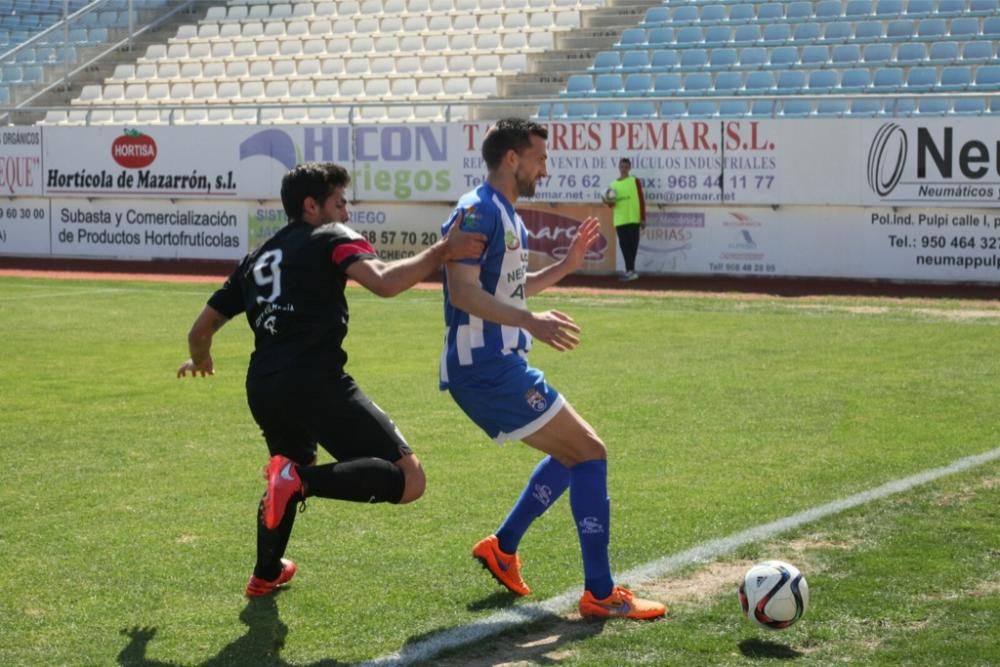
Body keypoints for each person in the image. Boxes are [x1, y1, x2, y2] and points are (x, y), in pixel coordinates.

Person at [177, 162, 486, 597]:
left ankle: (266, 572)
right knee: (408, 480)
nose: (345, 213)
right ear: (311, 205)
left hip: (264, 385)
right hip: (314, 378)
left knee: (287, 466)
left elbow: (199, 332)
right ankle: (299, 484)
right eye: (340, 202)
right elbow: (383, 282)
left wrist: (201, 361)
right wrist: (442, 251)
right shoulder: (331, 236)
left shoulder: (255, 259)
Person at [440, 119, 666, 620]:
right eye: (540, 157)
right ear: (512, 159)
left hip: (498, 364)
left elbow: (507, 292)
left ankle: (502, 547)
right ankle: (601, 593)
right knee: (590, 453)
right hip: (486, 368)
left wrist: (565, 266)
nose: (546, 167)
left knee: (573, 455)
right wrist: (530, 322)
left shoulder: (505, 214)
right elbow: (463, 292)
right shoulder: (477, 210)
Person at [602, 157, 646, 282]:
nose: (624, 169)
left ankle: (630, 270)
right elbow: (611, 204)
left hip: (633, 218)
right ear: (619, 168)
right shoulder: (613, 185)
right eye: (622, 167)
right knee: (625, 246)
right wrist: (607, 201)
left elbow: (641, 199)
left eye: (626, 167)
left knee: (633, 246)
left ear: (629, 168)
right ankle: (630, 271)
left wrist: (642, 218)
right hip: (620, 220)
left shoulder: (634, 181)